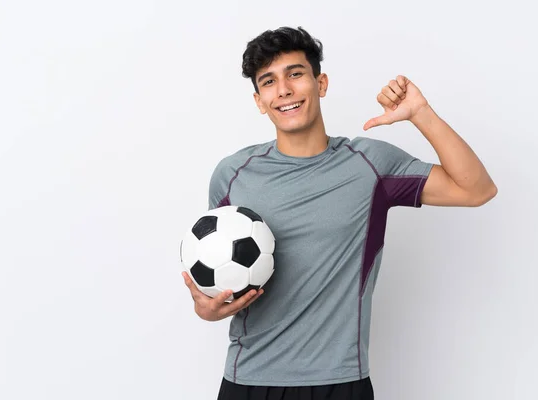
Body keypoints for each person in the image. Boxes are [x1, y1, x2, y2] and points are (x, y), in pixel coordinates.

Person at [182, 26, 497, 400]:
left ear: (321, 83)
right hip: (248, 381)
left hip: (341, 382)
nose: (283, 89)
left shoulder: (370, 165)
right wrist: (208, 310)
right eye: (269, 81)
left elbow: (476, 189)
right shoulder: (233, 175)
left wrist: (421, 114)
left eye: (295, 74)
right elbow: (217, 278)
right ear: (259, 100)